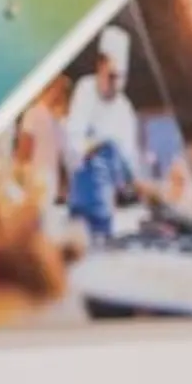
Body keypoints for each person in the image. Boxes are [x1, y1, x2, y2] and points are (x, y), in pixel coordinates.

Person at [63, 25, 146, 245]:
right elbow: (73, 143)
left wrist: (136, 183)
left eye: (121, 78)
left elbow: (130, 163)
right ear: (100, 64)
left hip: (106, 209)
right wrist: (98, 146)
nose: (116, 84)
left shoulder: (125, 108)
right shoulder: (85, 90)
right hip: (80, 200)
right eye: (112, 76)